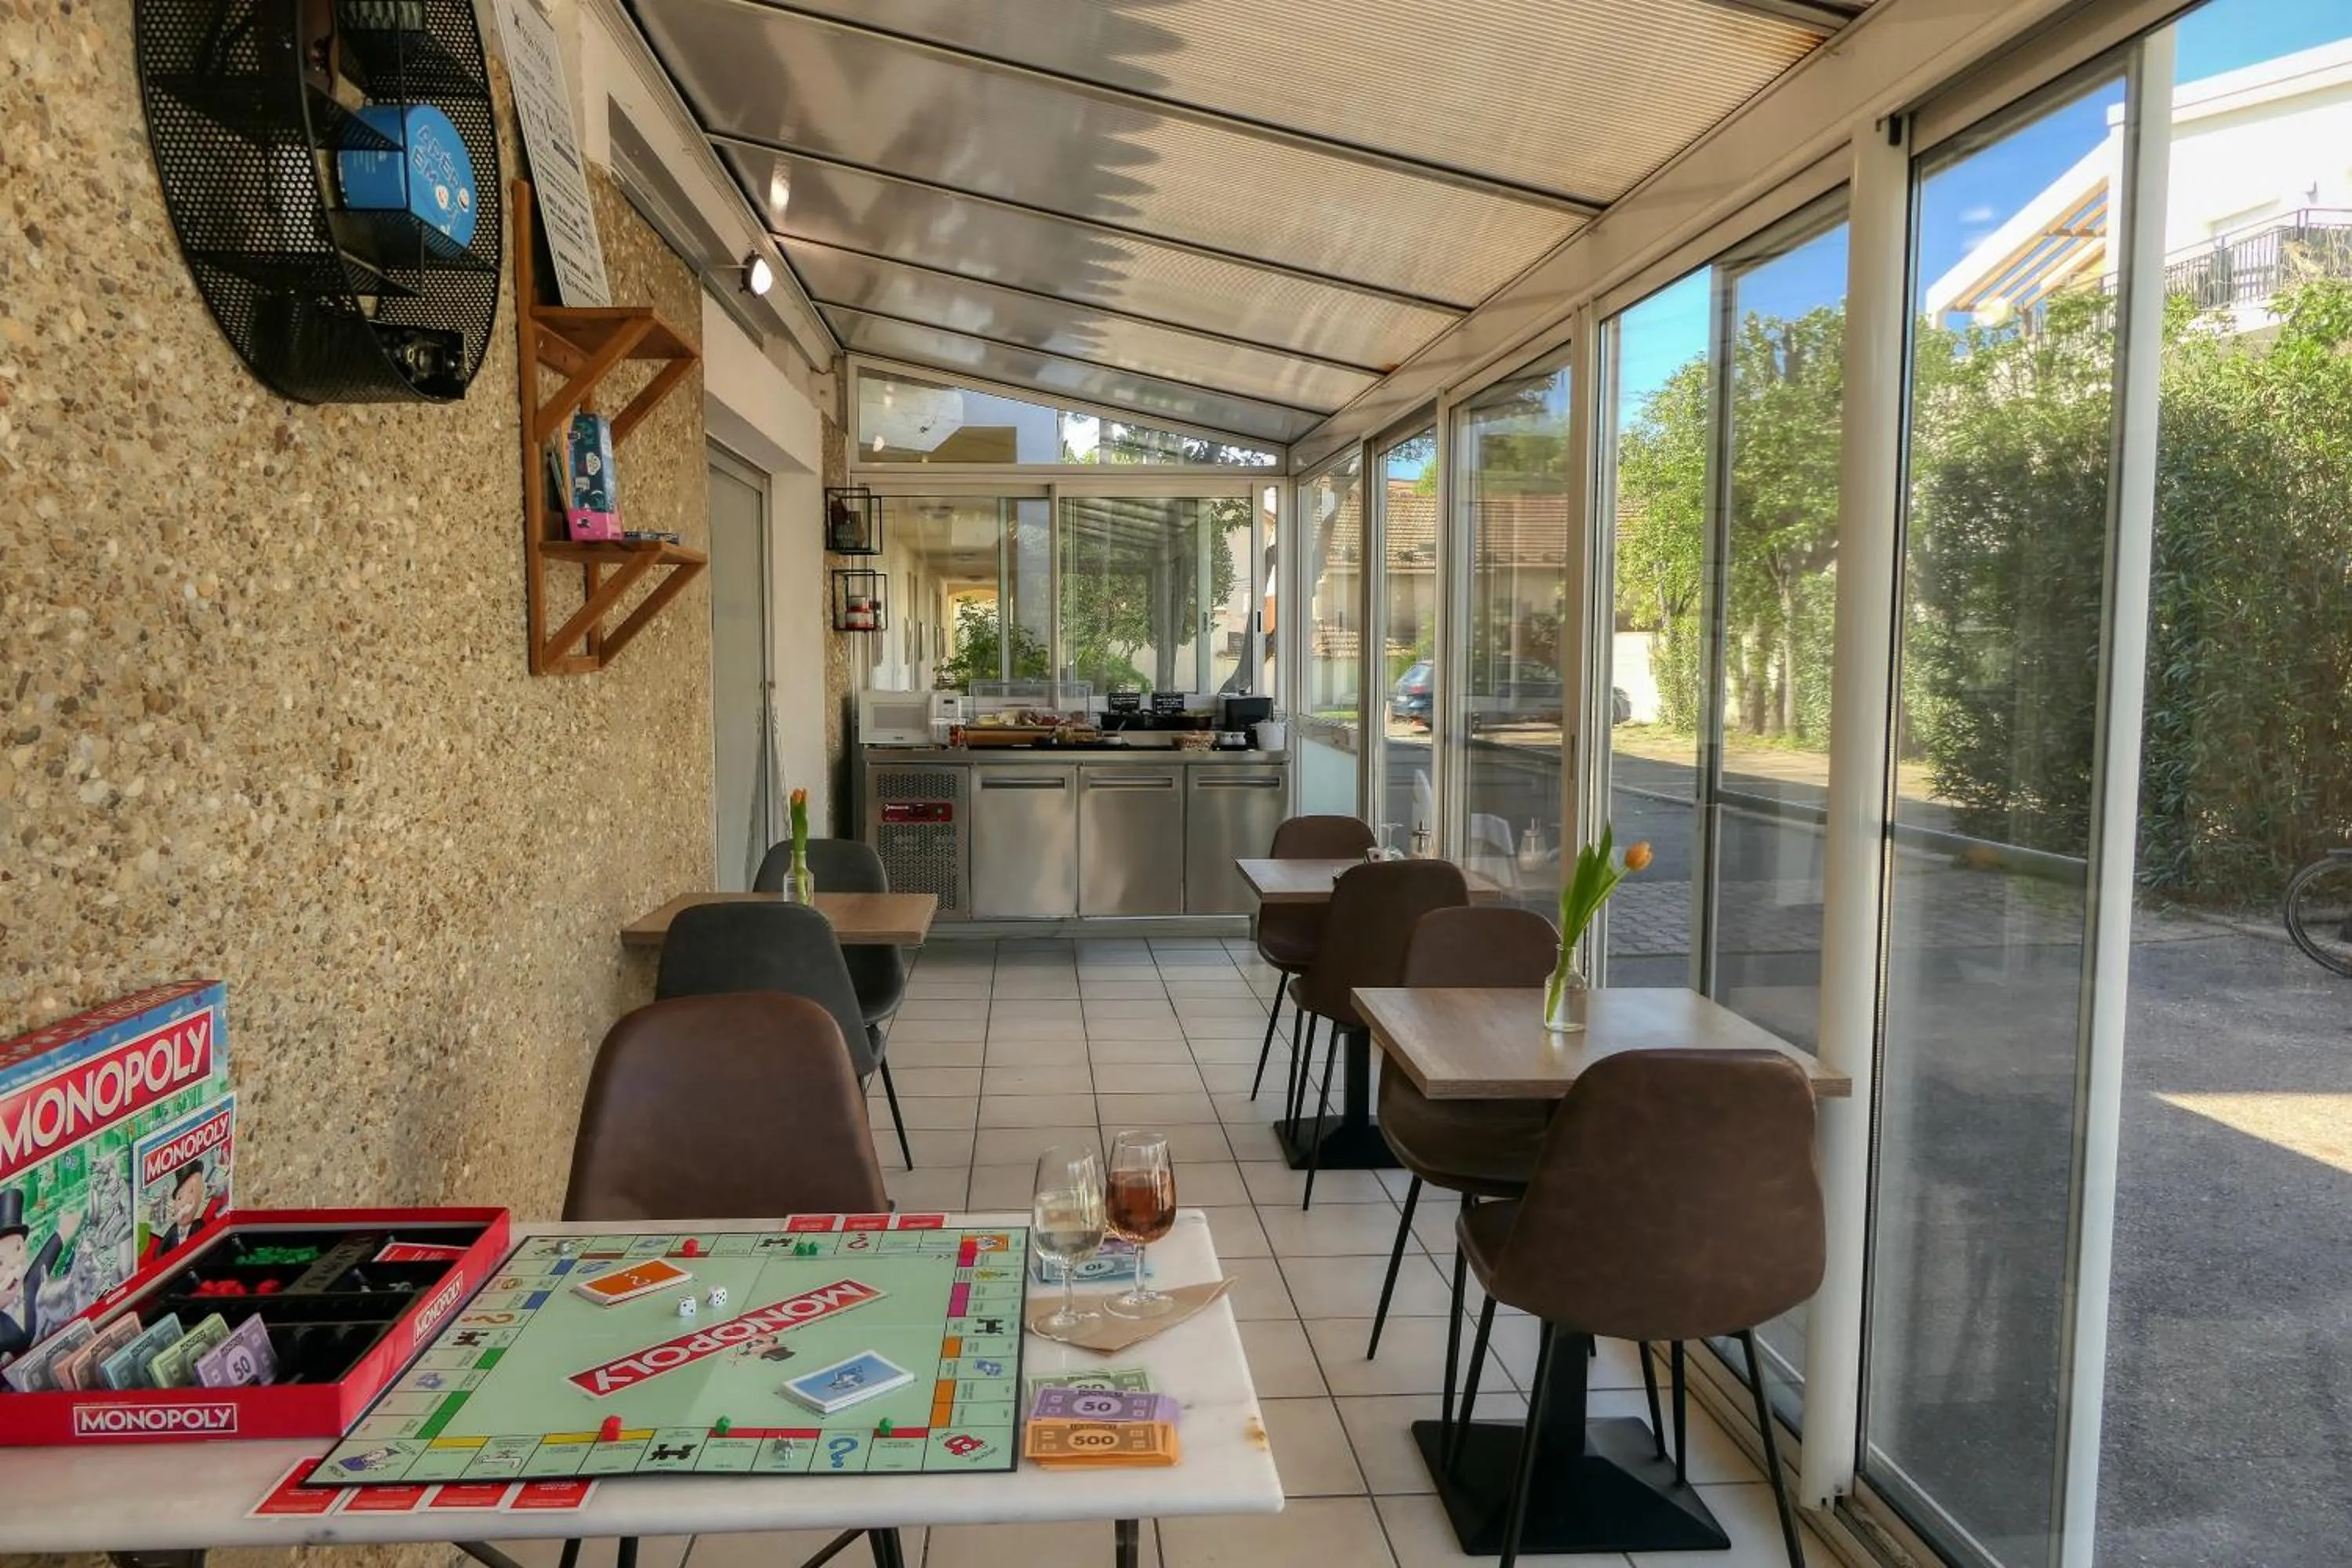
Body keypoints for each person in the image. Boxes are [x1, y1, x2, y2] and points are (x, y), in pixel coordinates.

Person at [0, 1189, 82, 1370]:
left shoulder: (26, 1291)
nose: (14, 1266)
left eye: (18, 1248)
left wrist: (62, 1233)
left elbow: (39, 1270)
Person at [140, 1160, 222, 1267]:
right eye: (180, 1198)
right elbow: (159, 1254)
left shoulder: (199, 1225)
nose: (187, 1203)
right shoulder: (172, 1232)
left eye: (194, 1194)